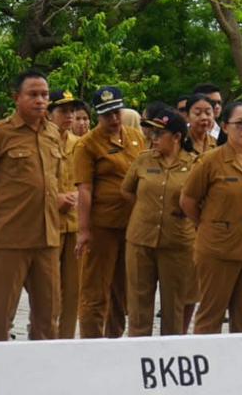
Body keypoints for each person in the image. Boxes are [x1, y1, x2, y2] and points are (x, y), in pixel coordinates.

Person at [0, 70, 68, 340]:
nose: (40, 100)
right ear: (16, 97)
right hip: (9, 237)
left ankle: (42, 362)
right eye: (33, 94)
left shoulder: (53, 133)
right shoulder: (0, 133)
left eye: (44, 95)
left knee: (48, 315)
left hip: (46, 237)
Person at [181, 99, 242, 334]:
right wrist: (208, 225)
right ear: (224, 127)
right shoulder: (210, 161)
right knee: (211, 316)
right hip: (218, 250)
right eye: (239, 123)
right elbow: (188, 201)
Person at [74, 86, 145, 339]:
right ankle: (91, 342)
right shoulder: (87, 144)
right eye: (107, 115)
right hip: (102, 226)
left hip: (131, 225)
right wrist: (83, 230)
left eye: (117, 112)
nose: (114, 119)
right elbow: (84, 189)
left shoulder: (135, 136)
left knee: (122, 290)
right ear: (97, 115)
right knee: (95, 289)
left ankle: (114, 339)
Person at [121, 111, 194, 336]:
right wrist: (146, 210)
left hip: (177, 243)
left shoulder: (194, 164)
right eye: (152, 132)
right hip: (141, 240)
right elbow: (127, 191)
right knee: (138, 305)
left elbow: (200, 199)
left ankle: (170, 351)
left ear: (177, 137)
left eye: (160, 134)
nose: (153, 138)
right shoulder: (144, 160)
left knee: (174, 306)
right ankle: (138, 350)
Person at [47, 91, 84, 338]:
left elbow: (87, 180)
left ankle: (66, 338)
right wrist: (55, 199)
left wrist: (79, 196)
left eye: (72, 111)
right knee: (48, 288)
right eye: (63, 111)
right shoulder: (41, 141)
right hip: (49, 222)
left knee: (73, 288)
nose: (69, 116)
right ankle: (45, 335)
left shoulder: (79, 144)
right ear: (49, 114)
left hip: (75, 223)